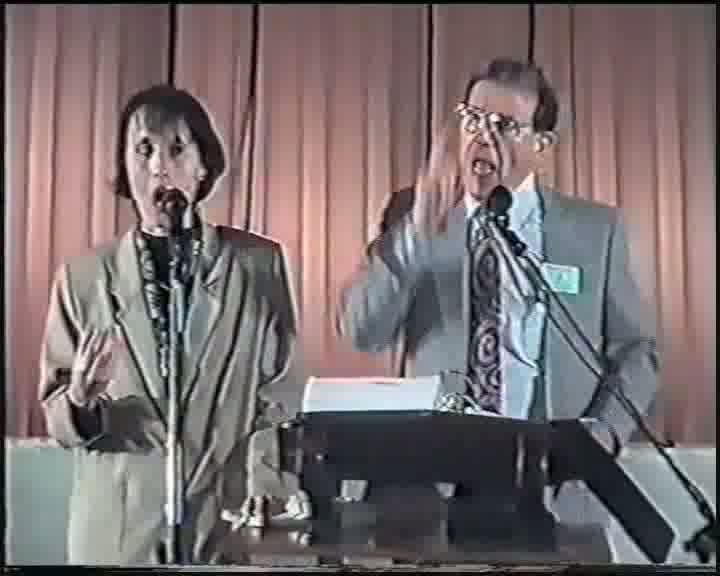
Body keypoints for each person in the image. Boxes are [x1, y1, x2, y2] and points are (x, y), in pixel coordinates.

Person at [336, 59, 659, 559]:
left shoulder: (595, 231)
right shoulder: (413, 214)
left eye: (504, 126)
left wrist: (605, 431)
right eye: (472, 119)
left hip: (554, 482)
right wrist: (415, 234)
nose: (482, 138)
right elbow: (362, 331)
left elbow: (637, 351)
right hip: (434, 485)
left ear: (541, 145)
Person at [38, 84, 304, 565]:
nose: (160, 166)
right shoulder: (82, 279)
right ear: (124, 168)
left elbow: (281, 390)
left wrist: (266, 480)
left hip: (225, 524)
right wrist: (80, 400)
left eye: (177, 149)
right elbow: (57, 416)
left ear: (203, 167)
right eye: (144, 150)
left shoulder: (256, 265)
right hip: (118, 532)